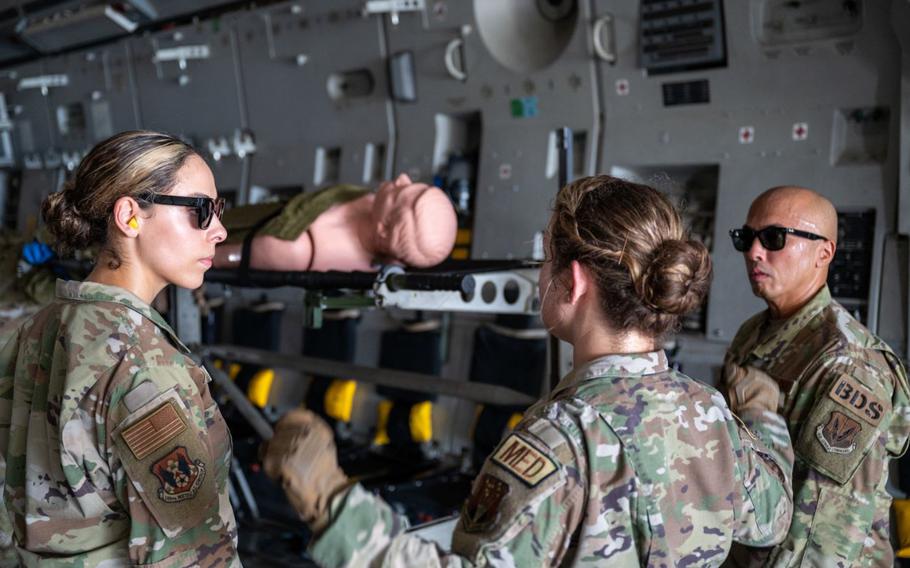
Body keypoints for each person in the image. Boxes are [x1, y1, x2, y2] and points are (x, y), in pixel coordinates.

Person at [263, 174, 795, 566]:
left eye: (546, 258)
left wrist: (331, 503)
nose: (541, 274)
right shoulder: (710, 415)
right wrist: (761, 412)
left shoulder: (561, 440)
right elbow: (772, 517)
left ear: (576, 280)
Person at [0, 130, 240, 566]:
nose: (219, 231)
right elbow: (194, 556)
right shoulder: (145, 367)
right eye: (201, 211)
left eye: (219, 211)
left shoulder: (35, 328)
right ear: (130, 216)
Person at [721, 186, 910, 567]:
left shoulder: (850, 363)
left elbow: (821, 534)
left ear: (824, 252)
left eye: (774, 238)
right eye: (746, 238)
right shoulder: (754, 332)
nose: (754, 252)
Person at [212, 173, 457, 272]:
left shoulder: (297, 250)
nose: (402, 178)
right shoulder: (369, 203)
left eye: (399, 192)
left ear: (383, 230)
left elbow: (220, 257)